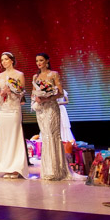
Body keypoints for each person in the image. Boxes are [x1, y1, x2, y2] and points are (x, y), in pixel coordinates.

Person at [31, 53, 70, 181]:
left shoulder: (54, 74)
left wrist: (47, 97)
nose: (39, 63)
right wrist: (36, 98)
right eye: (37, 61)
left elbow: (60, 93)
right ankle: (48, 170)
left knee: (53, 136)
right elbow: (33, 93)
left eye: (41, 60)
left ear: (47, 61)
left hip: (52, 108)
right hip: (41, 110)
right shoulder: (35, 77)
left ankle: (57, 170)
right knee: (45, 136)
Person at [0, 52, 28, 178]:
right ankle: (5, 166)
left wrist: (12, 91)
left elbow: (22, 94)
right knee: (4, 137)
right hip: (3, 109)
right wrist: (1, 94)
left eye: (6, 59)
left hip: (13, 108)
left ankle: (16, 168)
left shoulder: (19, 75)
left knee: (15, 136)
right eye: (2, 60)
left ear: (12, 60)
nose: (4, 62)